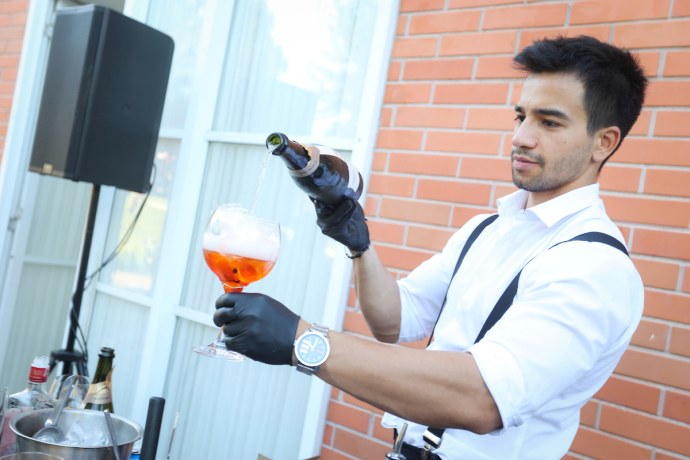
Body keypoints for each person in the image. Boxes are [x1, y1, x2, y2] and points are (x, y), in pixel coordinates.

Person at [214, 35, 647, 459]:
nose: (522, 138)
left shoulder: (594, 265)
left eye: (549, 122)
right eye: (521, 117)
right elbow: (394, 321)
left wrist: (303, 341)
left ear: (603, 142)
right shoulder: (489, 228)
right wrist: (359, 246)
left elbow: (482, 398)